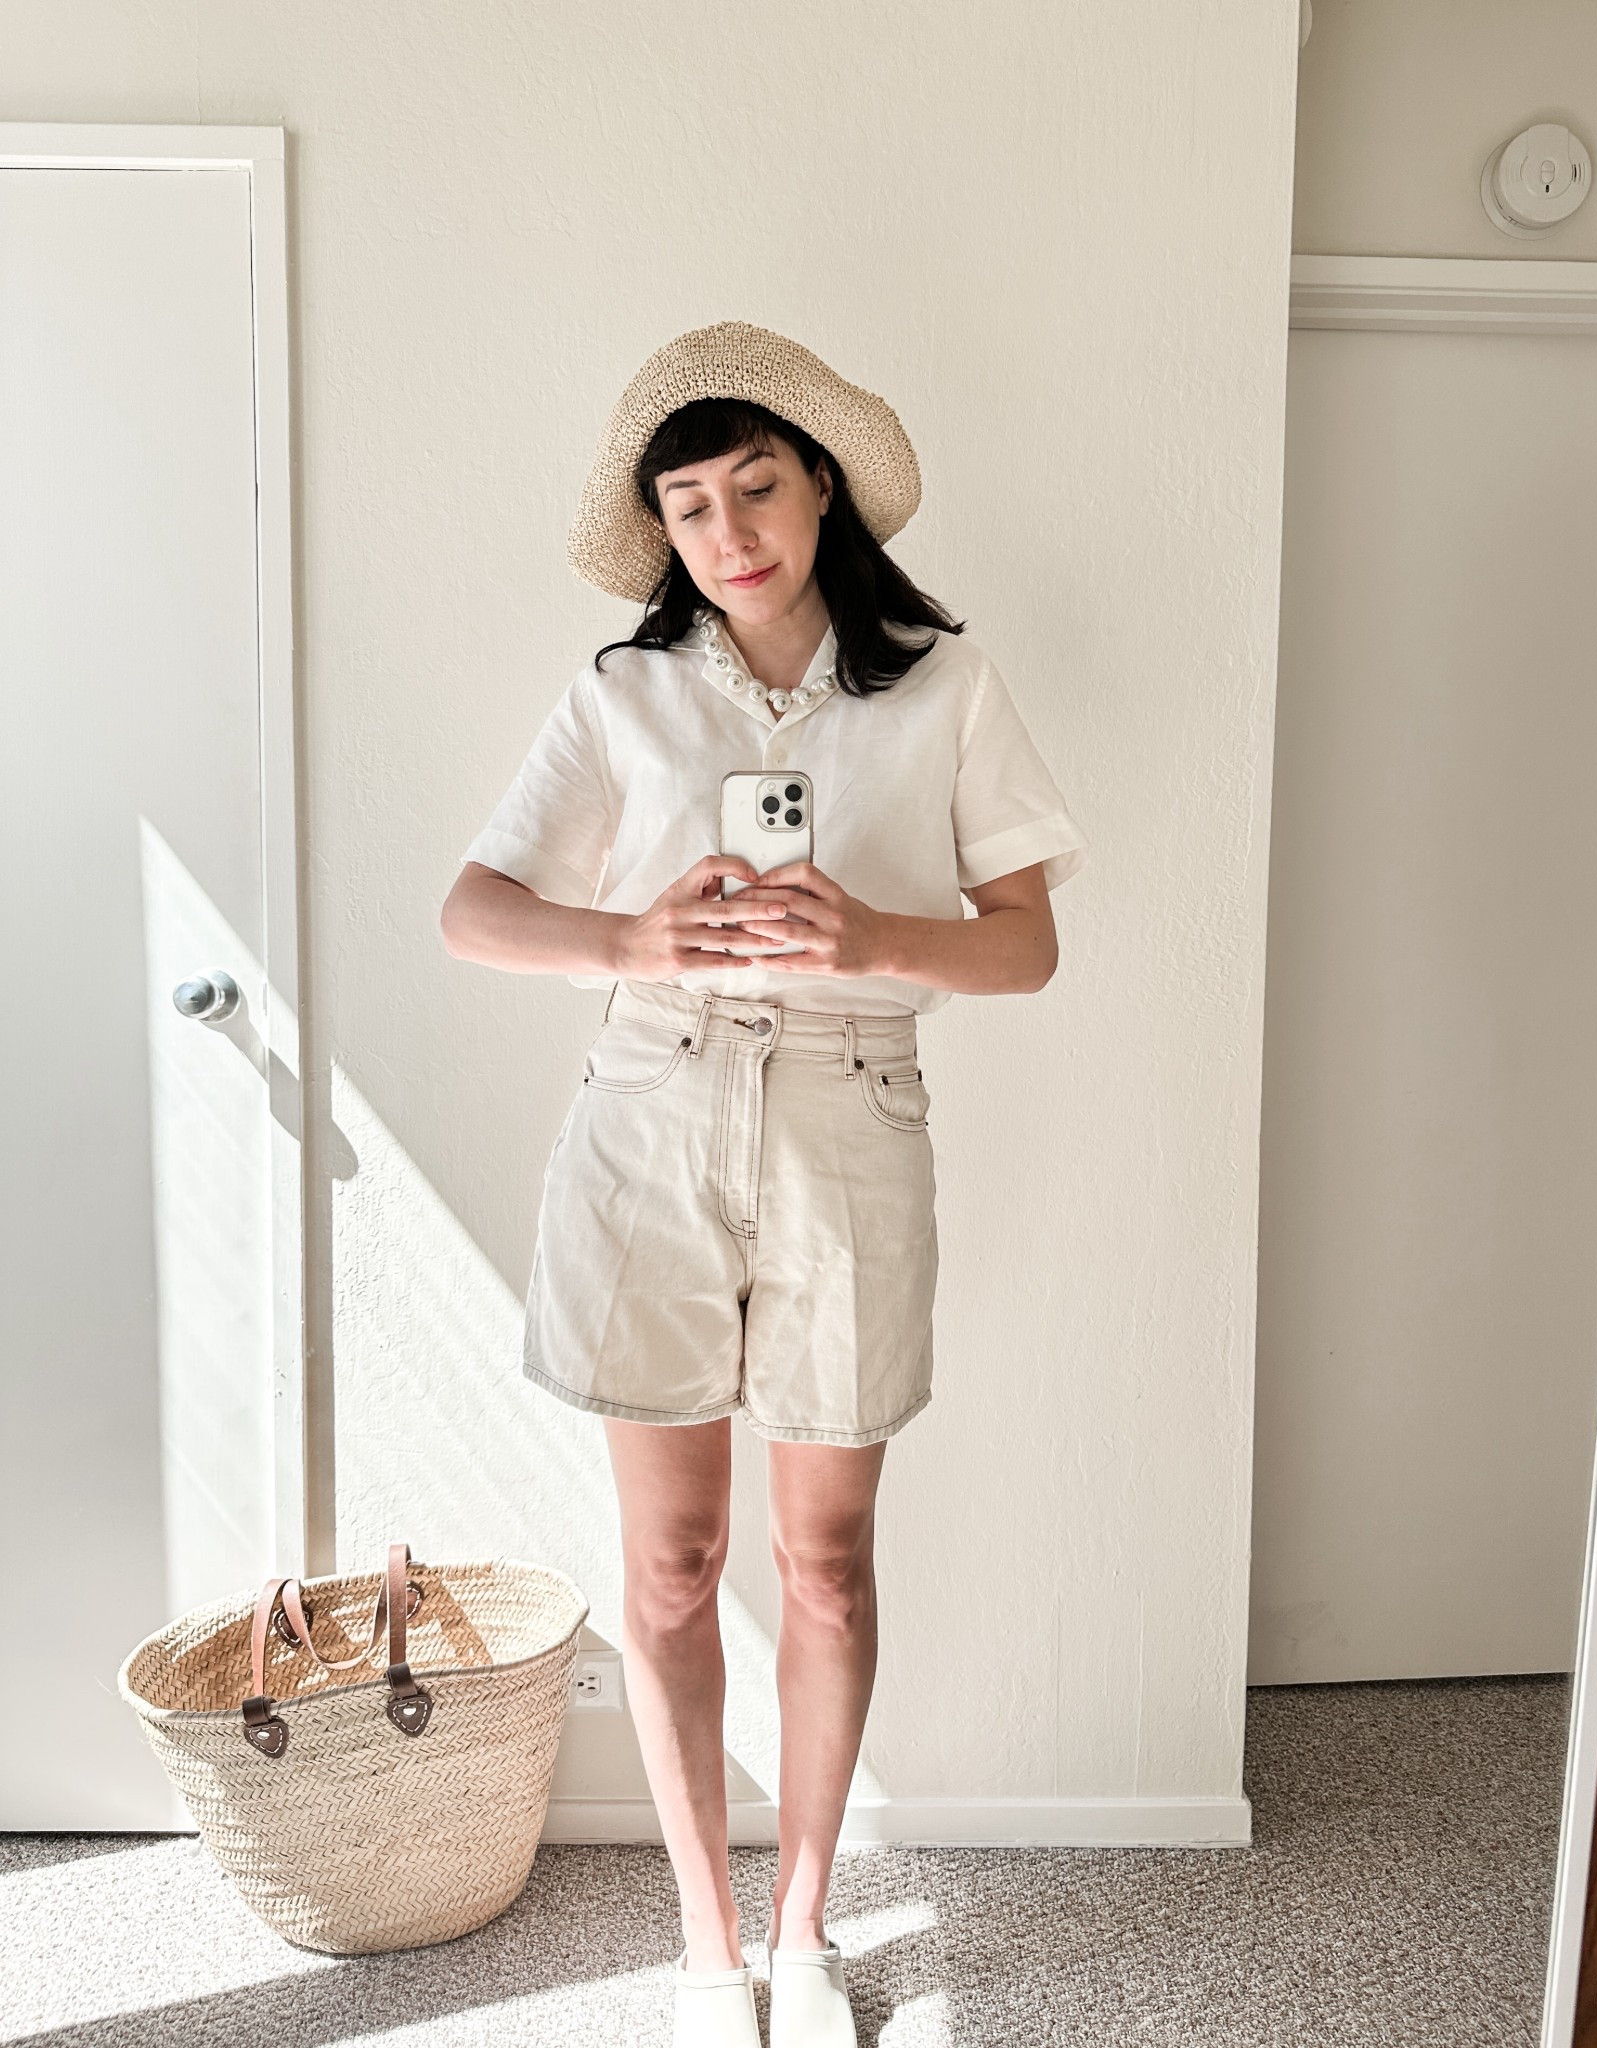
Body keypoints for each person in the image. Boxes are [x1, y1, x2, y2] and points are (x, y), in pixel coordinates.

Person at [440, 321, 1089, 2048]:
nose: (726, 530)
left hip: (847, 1113)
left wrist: (873, 933)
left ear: (820, 490)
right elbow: (474, 910)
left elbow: (1027, 948)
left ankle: (805, 1936)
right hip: (646, 1114)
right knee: (667, 1565)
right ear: (660, 529)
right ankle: (704, 1950)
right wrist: (634, 931)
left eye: (754, 487)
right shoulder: (622, 691)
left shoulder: (941, 684)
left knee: (824, 1560)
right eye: (687, 502)